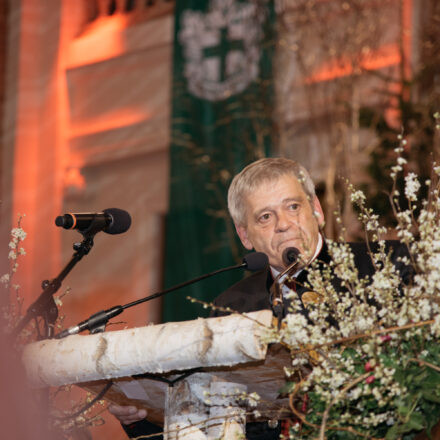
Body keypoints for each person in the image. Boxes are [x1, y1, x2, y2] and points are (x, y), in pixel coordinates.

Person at [109, 157, 411, 439]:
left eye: (293, 207)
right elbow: (205, 411)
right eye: (265, 217)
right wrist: (138, 418)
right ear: (245, 236)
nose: (283, 223)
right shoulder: (230, 309)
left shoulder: (386, 264)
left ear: (316, 209)